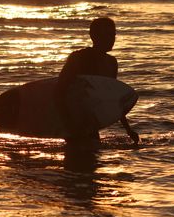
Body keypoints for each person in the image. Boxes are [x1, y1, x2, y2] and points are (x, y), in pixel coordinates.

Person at [54, 17, 139, 146]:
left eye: (113, 35)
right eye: (107, 35)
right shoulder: (78, 58)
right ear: (94, 36)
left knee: (92, 159)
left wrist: (128, 130)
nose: (112, 39)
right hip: (74, 123)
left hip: (92, 123)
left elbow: (113, 98)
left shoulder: (111, 63)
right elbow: (59, 92)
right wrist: (67, 124)